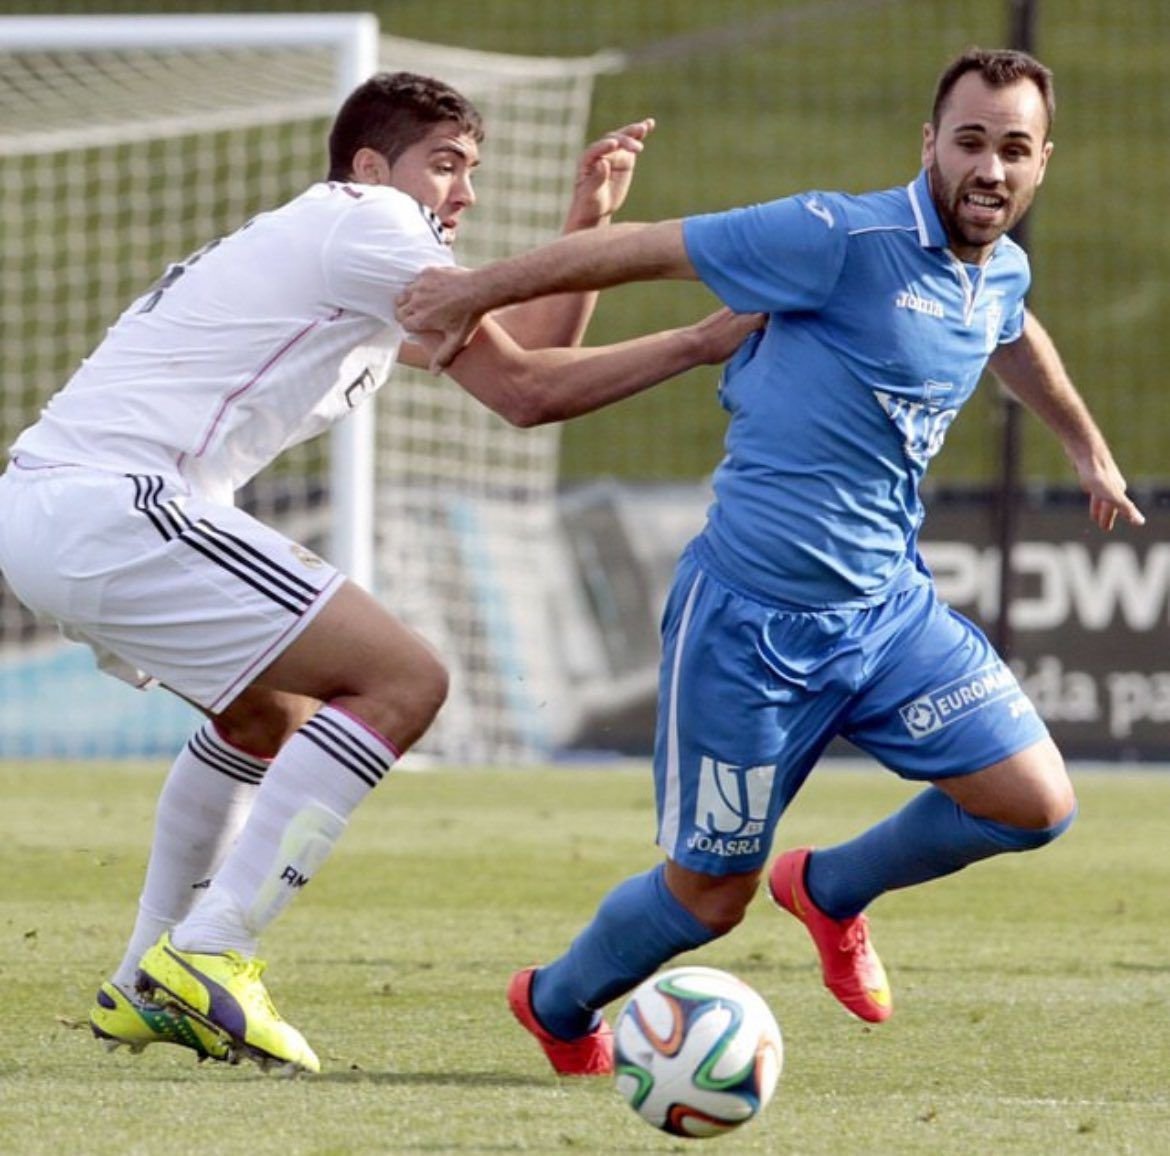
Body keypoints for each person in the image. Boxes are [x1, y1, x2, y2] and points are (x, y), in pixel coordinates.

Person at [397, 47, 1146, 1076]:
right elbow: (648, 251)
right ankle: (557, 1003)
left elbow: (1011, 327)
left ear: (1041, 161)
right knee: (708, 899)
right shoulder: (834, 237)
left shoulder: (999, 266)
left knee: (1034, 803)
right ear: (929, 143)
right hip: (749, 628)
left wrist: (1086, 447)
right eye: (970, 141)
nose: (990, 168)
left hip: (887, 614)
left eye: (1014, 149)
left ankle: (830, 889)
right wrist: (472, 290)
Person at [0, 72, 760, 1075]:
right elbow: (527, 395)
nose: (465, 192)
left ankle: (148, 974)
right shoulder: (367, 221)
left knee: (265, 717)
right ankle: (211, 947)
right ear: (370, 166)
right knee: (407, 680)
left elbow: (525, 360)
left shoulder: (345, 252)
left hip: (57, 510)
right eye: (445, 164)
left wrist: (587, 229)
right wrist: (705, 339)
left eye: (471, 170)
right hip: (113, 503)